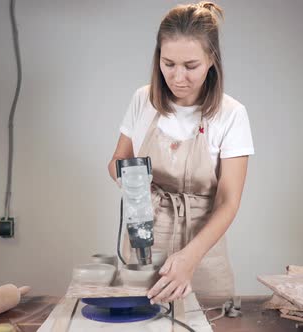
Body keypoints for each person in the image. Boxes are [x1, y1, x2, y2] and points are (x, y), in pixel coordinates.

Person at [108, 1, 254, 304]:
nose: (177, 77)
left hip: (202, 248)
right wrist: (132, 183)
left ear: (212, 60)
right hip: (144, 237)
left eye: (191, 66)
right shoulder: (142, 100)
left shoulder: (231, 114)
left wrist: (189, 258)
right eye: (168, 63)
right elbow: (117, 161)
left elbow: (228, 201)